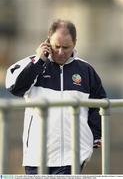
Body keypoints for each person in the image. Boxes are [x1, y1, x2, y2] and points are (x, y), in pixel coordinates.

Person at [5, 19, 106, 175]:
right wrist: (38, 61)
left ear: (75, 42)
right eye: (56, 46)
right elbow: (15, 88)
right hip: (36, 156)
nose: (60, 52)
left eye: (66, 47)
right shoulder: (32, 64)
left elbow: (99, 103)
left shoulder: (86, 70)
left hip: (72, 157)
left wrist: (95, 136)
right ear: (48, 40)